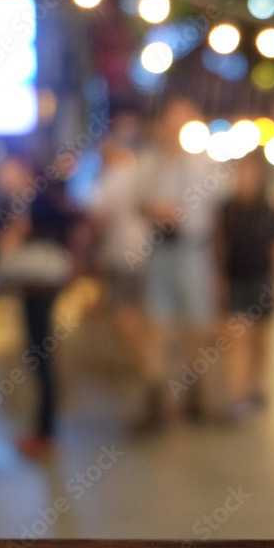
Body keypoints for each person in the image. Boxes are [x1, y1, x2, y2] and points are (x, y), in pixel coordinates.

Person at [135, 98, 229, 430]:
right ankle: (155, 397)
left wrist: (219, 267)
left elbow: (217, 216)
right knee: (157, 326)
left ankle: (197, 393)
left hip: (193, 251)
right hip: (162, 251)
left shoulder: (205, 165)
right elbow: (139, 202)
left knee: (198, 327)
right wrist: (154, 211)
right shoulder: (149, 163)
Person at [0, 158, 80, 459]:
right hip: (33, 285)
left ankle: (46, 429)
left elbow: (63, 225)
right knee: (37, 352)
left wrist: (16, 235)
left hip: (41, 284)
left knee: (41, 352)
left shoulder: (38, 202)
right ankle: (42, 427)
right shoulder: (26, 202)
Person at [216, 151, 274, 421]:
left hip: (262, 279)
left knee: (260, 339)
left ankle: (255, 383)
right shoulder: (226, 210)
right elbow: (218, 245)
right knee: (236, 339)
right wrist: (218, 277)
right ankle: (238, 393)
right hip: (235, 280)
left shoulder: (268, 210)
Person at [87, 113, 150, 378]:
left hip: (123, 253)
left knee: (124, 309)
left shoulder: (113, 178)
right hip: (145, 251)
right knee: (141, 307)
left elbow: (97, 218)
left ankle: (145, 362)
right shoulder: (141, 172)